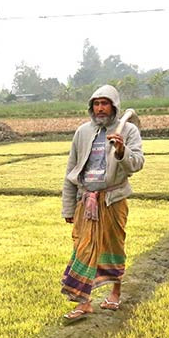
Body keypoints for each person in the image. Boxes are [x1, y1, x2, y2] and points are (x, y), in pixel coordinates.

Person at [60, 84, 144, 321]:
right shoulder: (82, 132)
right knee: (82, 248)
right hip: (85, 202)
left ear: (114, 106)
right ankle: (83, 302)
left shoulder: (128, 131)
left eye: (104, 103)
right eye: (96, 104)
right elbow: (71, 171)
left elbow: (137, 163)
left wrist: (121, 151)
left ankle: (115, 292)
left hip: (113, 201)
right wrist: (68, 207)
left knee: (114, 246)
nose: (100, 108)